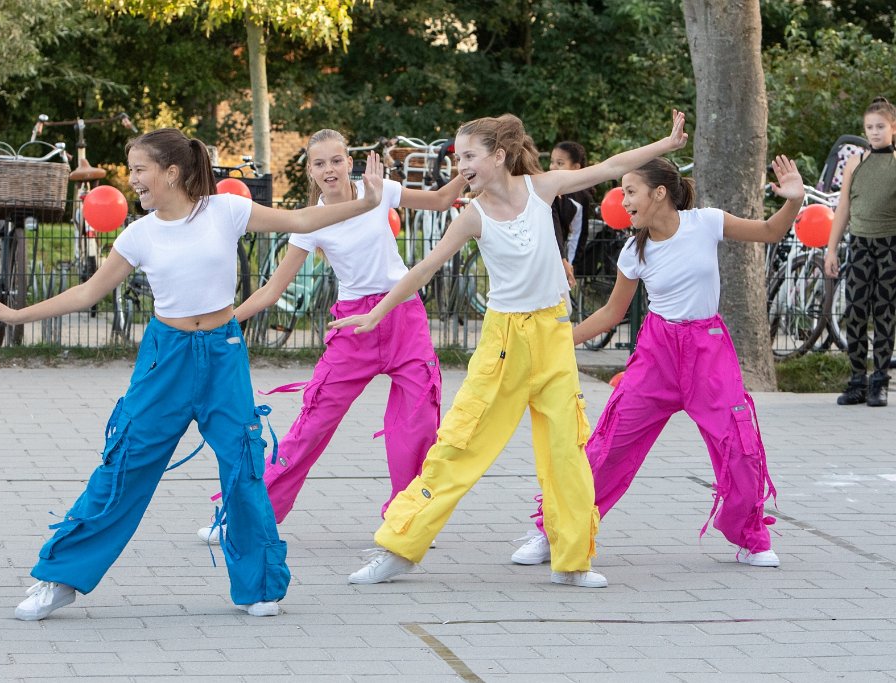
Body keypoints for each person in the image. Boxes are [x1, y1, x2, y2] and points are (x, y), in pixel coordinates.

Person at [0, 128, 385, 620]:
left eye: (140, 171)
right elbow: (87, 294)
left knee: (243, 465)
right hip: (165, 358)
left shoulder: (225, 210)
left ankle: (258, 586)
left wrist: (367, 203)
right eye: (131, 172)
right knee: (124, 465)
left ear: (171, 172)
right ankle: (59, 579)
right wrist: (16, 315)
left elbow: (301, 218)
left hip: (222, 354)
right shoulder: (140, 234)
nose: (134, 182)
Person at [331, 111, 689, 588]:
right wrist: (378, 313)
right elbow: (422, 270)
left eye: (470, 156)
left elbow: (609, 166)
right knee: (460, 446)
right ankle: (399, 547)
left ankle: (573, 558)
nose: (462, 165)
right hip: (504, 344)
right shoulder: (472, 216)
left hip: (553, 337)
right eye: (459, 158)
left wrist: (664, 144)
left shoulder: (541, 188)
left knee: (567, 451)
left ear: (499, 156)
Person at [511, 155, 805, 569]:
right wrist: (559, 340)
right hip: (657, 355)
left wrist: (793, 199)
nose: (622, 200)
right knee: (608, 447)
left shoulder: (706, 223)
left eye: (630, 191)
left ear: (659, 192)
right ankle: (553, 531)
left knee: (740, 446)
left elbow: (771, 230)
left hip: (709, 353)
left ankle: (749, 536)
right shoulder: (633, 250)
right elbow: (612, 314)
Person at [196, 128, 467, 543]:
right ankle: (249, 516)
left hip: (402, 317)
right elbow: (272, 289)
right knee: (311, 425)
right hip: (353, 328)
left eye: (336, 160)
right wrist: (224, 319)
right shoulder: (312, 222)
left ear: (349, 162)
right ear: (310, 170)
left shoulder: (378, 190)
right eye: (319, 163)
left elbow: (441, 201)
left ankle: (408, 521)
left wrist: (473, 168)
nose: (329, 169)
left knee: (419, 425)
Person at [825, 96, 896, 408]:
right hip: (860, 244)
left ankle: (879, 380)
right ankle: (857, 380)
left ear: (893, 128)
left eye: (880, 126)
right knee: (854, 311)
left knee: (884, 312)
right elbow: (843, 209)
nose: (874, 132)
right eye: (870, 127)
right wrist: (831, 250)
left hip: (889, 245)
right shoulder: (856, 162)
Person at [550, 141, 594, 282]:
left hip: (557, 259)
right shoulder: (546, 189)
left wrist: (570, 264)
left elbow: (579, 234)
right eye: (552, 162)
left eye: (560, 163)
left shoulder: (582, 198)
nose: (553, 167)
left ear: (576, 168)